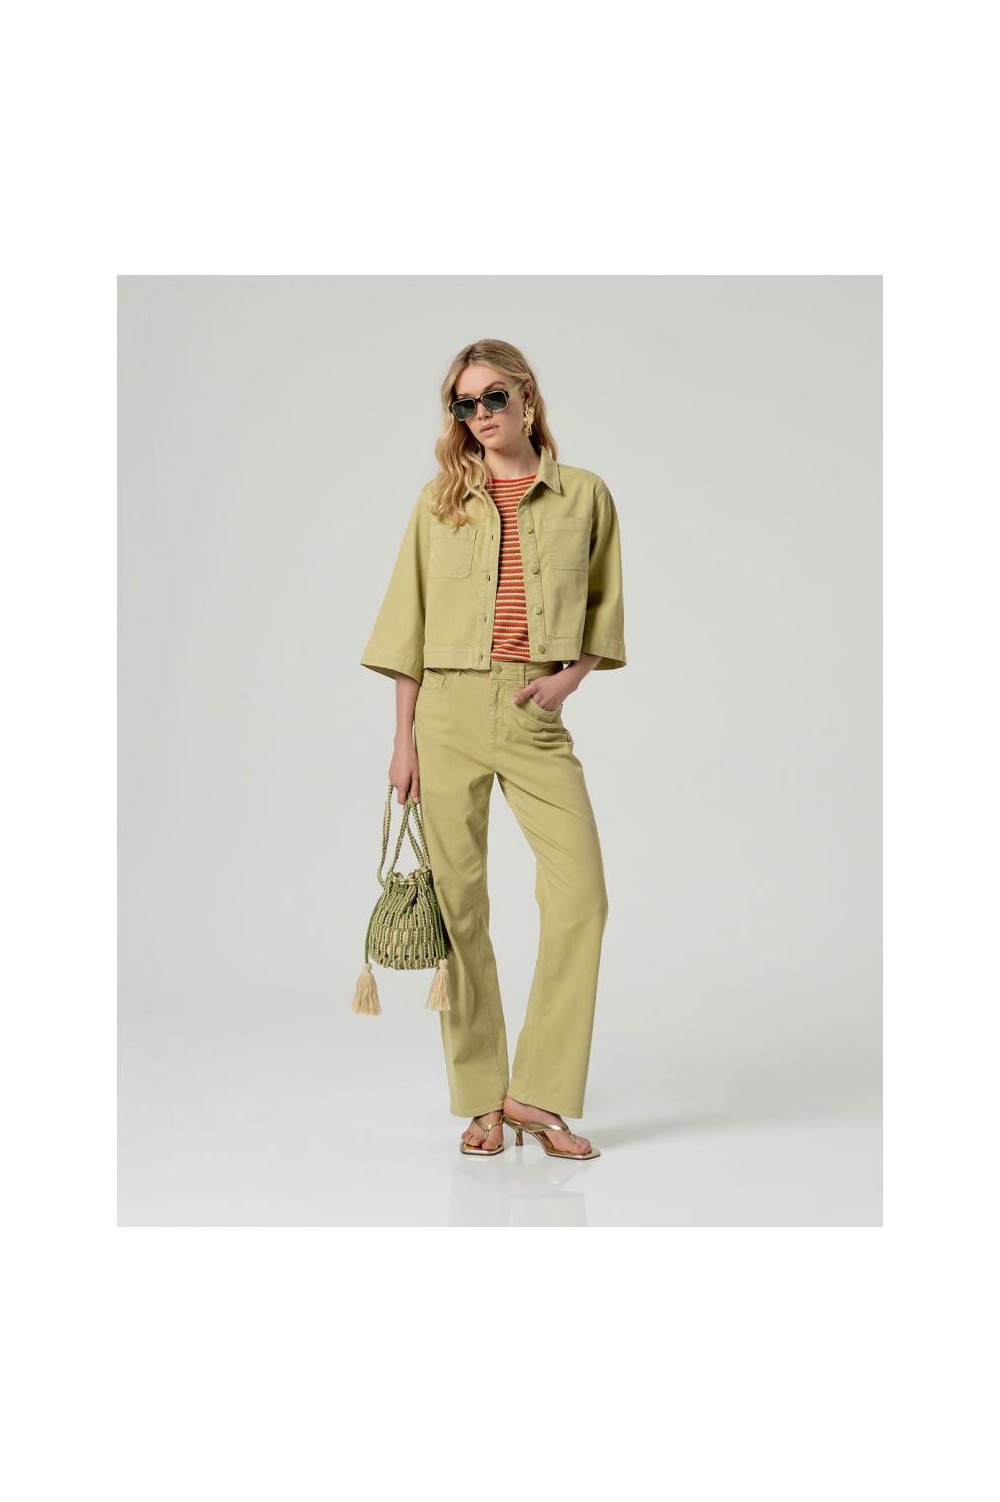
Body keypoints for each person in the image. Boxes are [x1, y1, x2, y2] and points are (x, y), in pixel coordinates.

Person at [360, 338, 627, 1160]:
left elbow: (605, 610)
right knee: (460, 909)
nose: (480, 415)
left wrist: (567, 680)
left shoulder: (585, 495)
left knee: (581, 897)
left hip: (531, 710)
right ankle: (481, 1100)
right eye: (464, 404)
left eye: (493, 398)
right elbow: (406, 625)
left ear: (527, 396)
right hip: (444, 712)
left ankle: (535, 1096)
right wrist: (402, 742)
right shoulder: (438, 501)